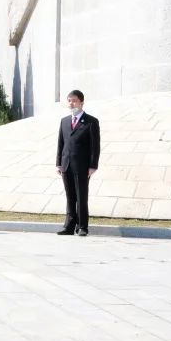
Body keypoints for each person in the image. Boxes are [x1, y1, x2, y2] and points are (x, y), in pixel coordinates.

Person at [56, 90, 101, 236]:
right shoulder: (64, 121)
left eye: (74, 100)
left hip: (82, 167)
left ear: (81, 102)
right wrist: (58, 163)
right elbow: (61, 144)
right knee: (70, 197)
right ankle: (69, 226)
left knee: (82, 196)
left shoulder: (91, 122)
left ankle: (82, 226)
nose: (71, 103)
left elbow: (95, 146)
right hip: (66, 164)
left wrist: (93, 165)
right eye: (69, 100)